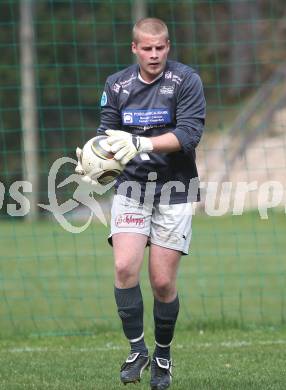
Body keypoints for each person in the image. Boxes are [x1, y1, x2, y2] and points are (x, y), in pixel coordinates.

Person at [77, 17, 206, 390]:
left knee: (163, 283)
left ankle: (162, 355)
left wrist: (143, 143)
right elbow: (106, 130)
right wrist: (93, 160)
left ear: (168, 46)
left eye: (160, 48)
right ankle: (137, 350)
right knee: (123, 267)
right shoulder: (117, 84)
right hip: (132, 187)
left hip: (175, 188)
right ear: (134, 48)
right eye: (147, 48)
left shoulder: (186, 81)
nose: (154, 55)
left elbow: (190, 134)